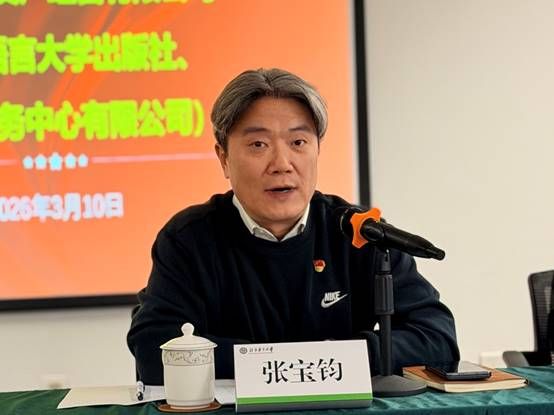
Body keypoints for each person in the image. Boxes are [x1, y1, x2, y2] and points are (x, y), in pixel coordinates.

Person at [127, 68, 459, 384]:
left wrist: (337, 357)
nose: (282, 164)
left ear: (317, 150)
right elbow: (154, 350)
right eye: (258, 145)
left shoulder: (359, 233)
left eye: (298, 142)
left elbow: (438, 339)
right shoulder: (189, 239)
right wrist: (295, 364)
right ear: (224, 158)